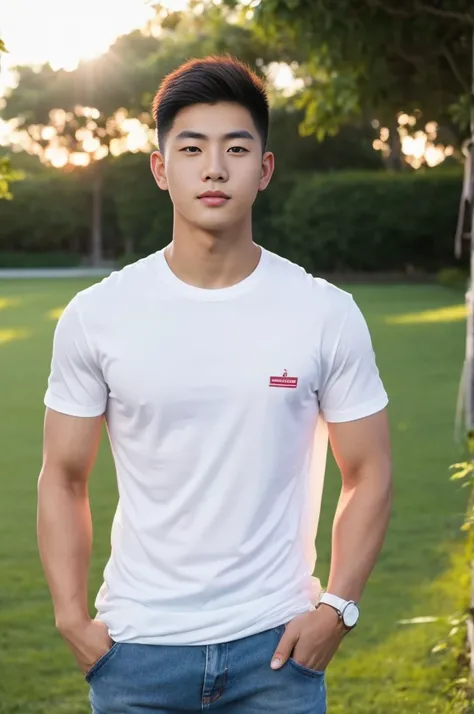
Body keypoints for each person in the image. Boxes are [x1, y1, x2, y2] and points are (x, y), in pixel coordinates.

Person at [37, 55, 392, 714]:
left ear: (264, 169)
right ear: (159, 167)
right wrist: (70, 620)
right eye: (192, 148)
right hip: (137, 652)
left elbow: (368, 471)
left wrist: (337, 608)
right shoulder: (98, 315)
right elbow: (63, 476)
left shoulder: (324, 312)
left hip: (277, 654)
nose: (214, 168)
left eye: (236, 148)